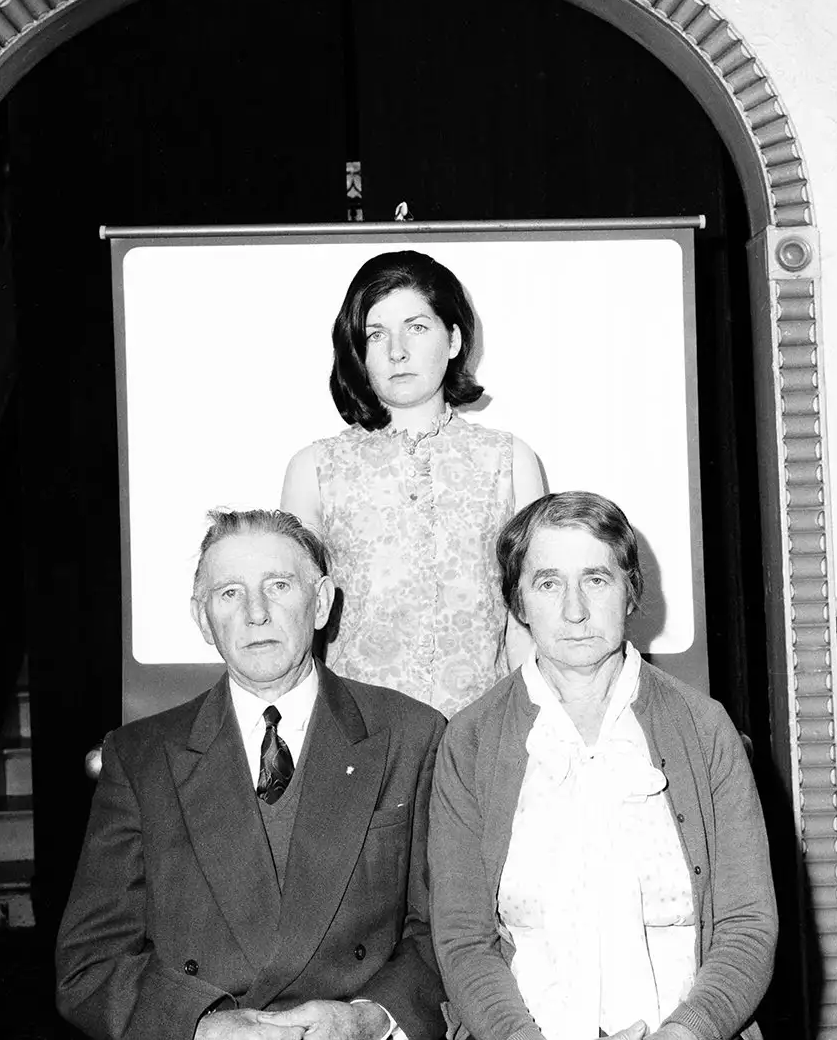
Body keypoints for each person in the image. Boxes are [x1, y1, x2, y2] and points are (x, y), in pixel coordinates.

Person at [56, 509, 447, 1040]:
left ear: (322, 602)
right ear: (202, 618)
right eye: (230, 594)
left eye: (279, 586)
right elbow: (90, 964)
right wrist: (202, 1026)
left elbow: (440, 933)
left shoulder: (410, 735)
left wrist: (369, 1017)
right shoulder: (143, 757)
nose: (256, 614)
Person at [428, 492, 777, 1040]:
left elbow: (746, 926)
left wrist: (687, 1032)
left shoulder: (705, 727)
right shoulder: (470, 741)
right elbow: (462, 938)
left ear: (630, 589)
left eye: (596, 579)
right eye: (547, 583)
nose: (574, 610)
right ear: (517, 601)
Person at [281, 251, 545, 717]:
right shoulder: (314, 469)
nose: (396, 350)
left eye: (417, 327)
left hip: (478, 734)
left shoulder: (509, 461)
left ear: (454, 339)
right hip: (359, 743)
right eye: (375, 334)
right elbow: (299, 624)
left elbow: (527, 620)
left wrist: (521, 730)